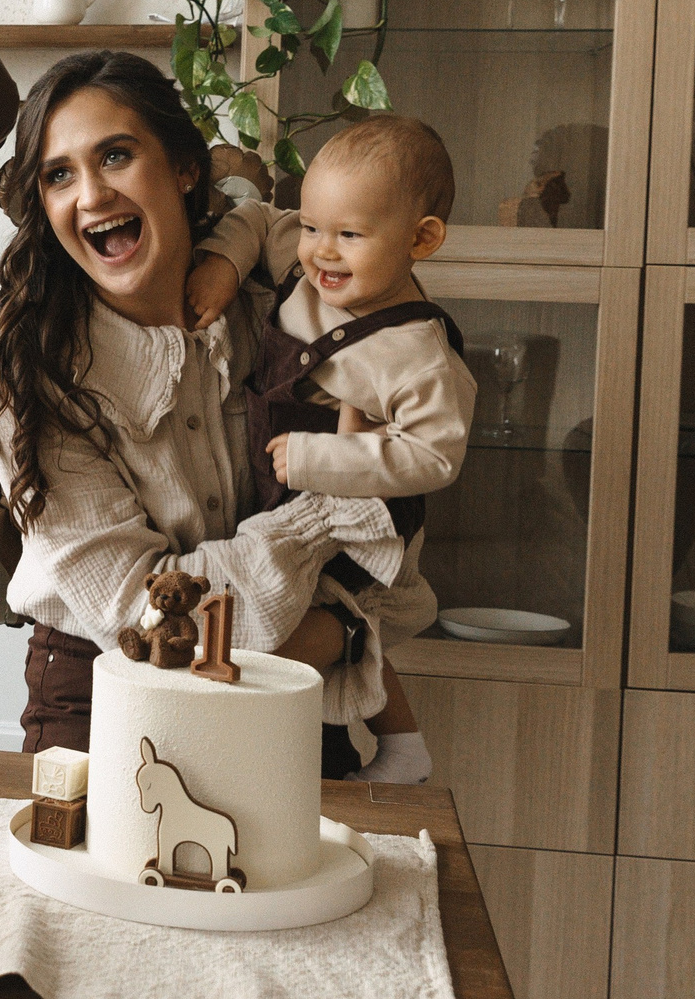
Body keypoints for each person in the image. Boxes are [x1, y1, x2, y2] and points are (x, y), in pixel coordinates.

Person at [0, 50, 436, 766]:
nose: (90, 194)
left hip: (294, 693)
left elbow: (399, 497)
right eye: (58, 175)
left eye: (115, 155)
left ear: (184, 168)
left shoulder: (284, 313)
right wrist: (340, 626)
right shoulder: (26, 371)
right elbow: (143, 612)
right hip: (110, 696)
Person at [180, 114, 481, 787]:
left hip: (362, 519)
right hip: (286, 495)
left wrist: (324, 460)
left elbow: (436, 455)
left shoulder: (419, 352)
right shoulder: (310, 263)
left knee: (315, 621)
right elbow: (258, 217)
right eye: (313, 226)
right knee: (306, 616)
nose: (320, 251)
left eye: (349, 234)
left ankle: (395, 749)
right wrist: (225, 264)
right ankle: (386, 748)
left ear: (421, 238)